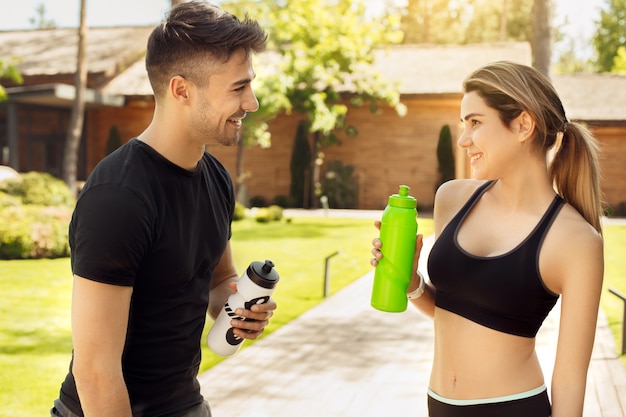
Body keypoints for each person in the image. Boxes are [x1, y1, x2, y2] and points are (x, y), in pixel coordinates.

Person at [51, 2, 275, 416]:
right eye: (238, 88)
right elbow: (95, 370)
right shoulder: (119, 197)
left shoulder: (216, 179)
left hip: (184, 403)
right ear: (181, 90)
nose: (252, 102)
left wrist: (238, 308)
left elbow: (218, 278)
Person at [371, 61, 604, 417]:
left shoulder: (576, 241)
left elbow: (571, 378)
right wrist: (410, 281)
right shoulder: (453, 199)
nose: (464, 139)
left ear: (523, 125)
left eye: (475, 122)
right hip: (438, 406)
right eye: (463, 124)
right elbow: (459, 312)